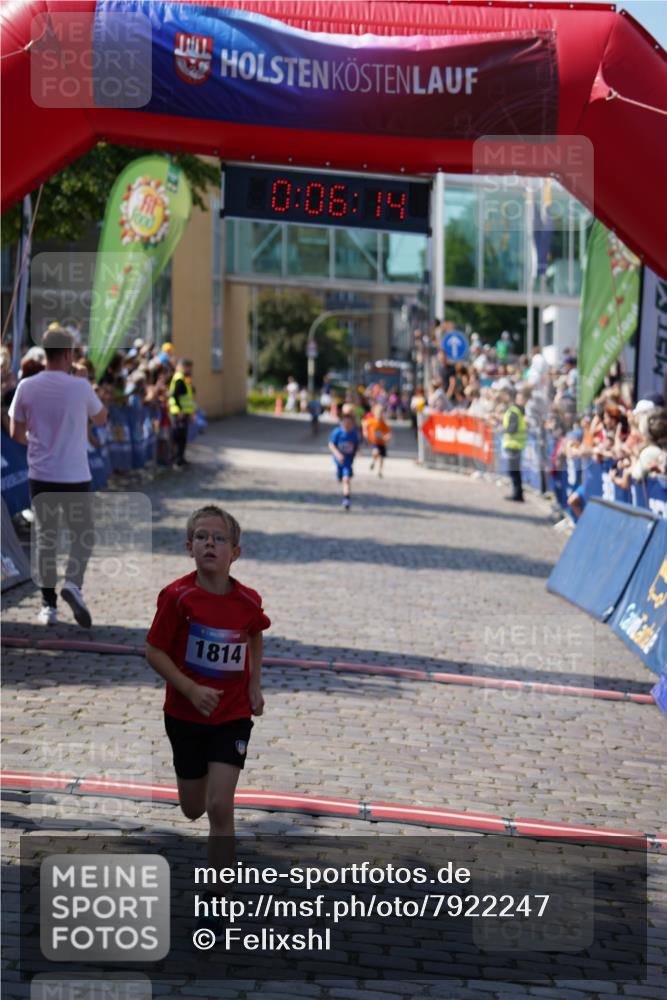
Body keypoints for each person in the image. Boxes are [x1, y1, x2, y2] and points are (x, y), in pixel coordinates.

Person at [145, 505, 270, 937]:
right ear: (188, 548)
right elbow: (154, 652)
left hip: (232, 716)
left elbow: (254, 634)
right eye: (201, 537)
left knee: (220, 806)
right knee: (193, 808)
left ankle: (218, 899)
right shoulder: (177, 597)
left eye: (218, 538)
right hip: (184, 717)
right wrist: (190, 689)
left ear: (235, 551)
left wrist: (254, 684)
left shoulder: (248, 600)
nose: (209, 543)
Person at [8, 325, 107, 626]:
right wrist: (84, 382)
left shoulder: (27, 385)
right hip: (75, 475)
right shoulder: (80, 386)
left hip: (41, 474)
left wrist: (40, 443)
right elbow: (101, 417)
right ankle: (73, 584)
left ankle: (48, 607)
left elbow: (15, 432)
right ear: (67, 354)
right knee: (83, 535)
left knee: (45, 539)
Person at [328, 403, 361, 510]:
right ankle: (340, 476)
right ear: (342, 422)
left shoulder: (354, 433)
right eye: (345, 422)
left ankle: (346, 499)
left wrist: (357, 452)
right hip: (338, 461)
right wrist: (337, 454)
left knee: (346, 479)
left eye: (350, 422)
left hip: (348, 461)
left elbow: (356, 445)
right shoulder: (337, 432)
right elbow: (331, 444)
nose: (348, 424)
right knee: (340, 477)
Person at [168, 358, 197, 469]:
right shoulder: (179, 379)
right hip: (178, 413)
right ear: (183, 367)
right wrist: (180, 410)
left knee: (182, 438)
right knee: (178, 437)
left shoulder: (185, 379)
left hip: (184, 413)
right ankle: (176, 460)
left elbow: (189, 395)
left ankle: (181, 459)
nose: (191, 370)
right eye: (189, 367)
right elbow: (175, 395)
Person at [501, 386, 527, 502]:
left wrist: (502, 429)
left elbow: (512, 429)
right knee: (515, 471)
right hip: (516, 445)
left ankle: (517, 494)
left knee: (514, 472)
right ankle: (518, 493)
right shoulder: (517, 411)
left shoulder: (513, 411)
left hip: (513, 445)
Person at [363, 402, 392, 477]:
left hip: (382, 442)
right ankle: (373, 461)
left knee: (382, 458)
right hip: (374, 441)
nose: (380, 415)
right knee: (375, 452)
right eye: (378, 413)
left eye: (381, 413)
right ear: (374, 413)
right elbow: (364, 423)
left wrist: (387, 437)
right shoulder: (371, 421)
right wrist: (365, 432)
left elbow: (388, 432)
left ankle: (380, 471)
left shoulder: (383, 423)